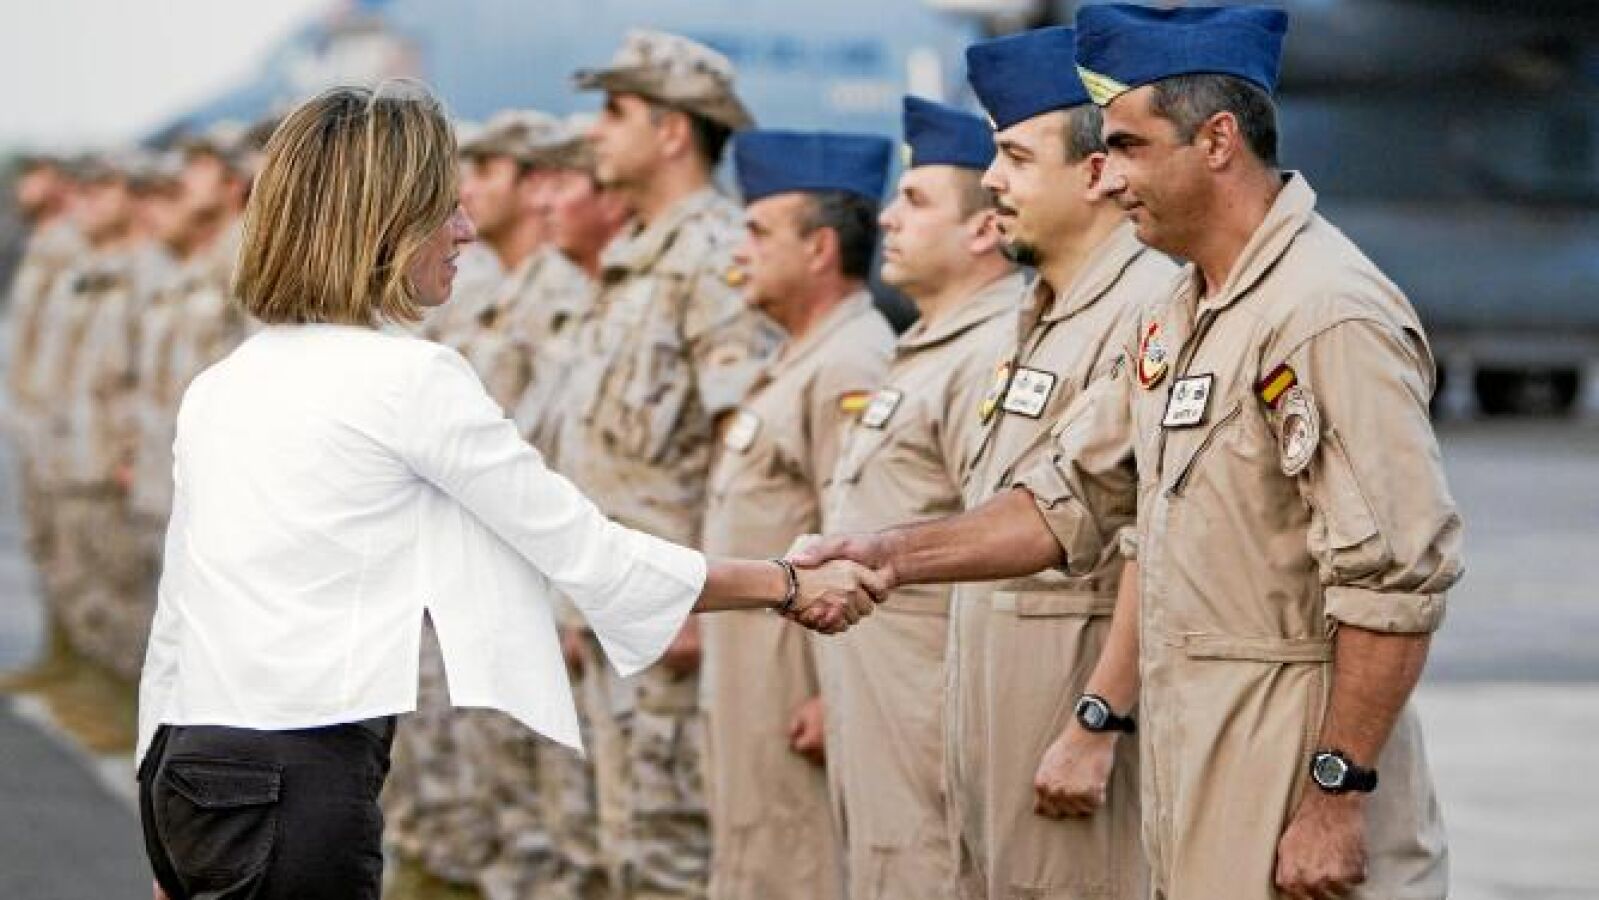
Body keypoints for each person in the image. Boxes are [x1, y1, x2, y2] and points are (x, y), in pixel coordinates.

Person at [135, 82, 882, 900]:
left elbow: (178, 622)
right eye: (443, 208)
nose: (464, 231)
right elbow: (588, 554)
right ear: (382, 221)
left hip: (187, 768)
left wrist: (161, 825)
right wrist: (787, 583)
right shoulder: (409, 377)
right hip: (298, 777)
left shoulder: (224, 383)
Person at [797, 6, 1463, 899]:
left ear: (1216, 140)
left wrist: (1335, 795)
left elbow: (1392, 581)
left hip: (1287, 760)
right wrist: (888, 554)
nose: (1107, 179)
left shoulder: (1324, 312)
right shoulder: (1176, 313)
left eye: (1128, 147)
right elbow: (1068, 498)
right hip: (1195, 765)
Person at [561, 30, 780, 897]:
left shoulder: (713, 254)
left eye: (615, 111)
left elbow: (742, 440)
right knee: (629, 842)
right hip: (619, 603)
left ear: (672, 131)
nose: (594, 132)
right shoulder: (636, 257)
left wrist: (699, 591)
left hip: (672, 611)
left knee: (676, 854)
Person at [811, 96, 1023, 900]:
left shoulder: (989, 353)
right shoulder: (929, 346)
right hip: (884, 715)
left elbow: (1012, 543)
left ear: (983, 228)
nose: (888, 219)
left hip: (932, 721)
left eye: (917, 200)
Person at [700, 129, 896, 900]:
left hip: (794, 685)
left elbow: (861, 544)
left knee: (797, 867)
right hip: (754, 675)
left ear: (819, 248)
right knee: (754, 861)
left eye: (757, 231)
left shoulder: (849, 362)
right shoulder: (799, 355)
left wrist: (830, 694)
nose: (738, 249)